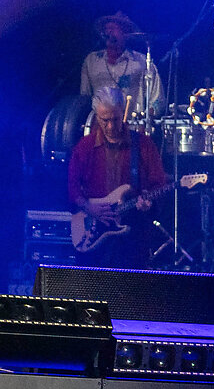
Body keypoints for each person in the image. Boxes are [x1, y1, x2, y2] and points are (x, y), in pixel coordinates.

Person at [67, 90, 171, 269]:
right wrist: (88, 207)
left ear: (123, 113)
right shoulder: (85, 146)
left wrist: (149, 203)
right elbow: (72, 186)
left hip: (133, 236)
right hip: (93, 235)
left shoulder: (143, 144)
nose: (110, 126)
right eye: (104, 120)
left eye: (115, 119)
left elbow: (158, 184)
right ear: (96, 116)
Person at [80, 13, 161, 125]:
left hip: (132, 128)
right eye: (106, 29)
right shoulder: (91, 61)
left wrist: (145, 120)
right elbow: (83, 99)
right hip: (100, 129)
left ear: (125, 33)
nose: (108, 32)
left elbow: (157, 100)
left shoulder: (142, 62)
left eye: (113, 28)